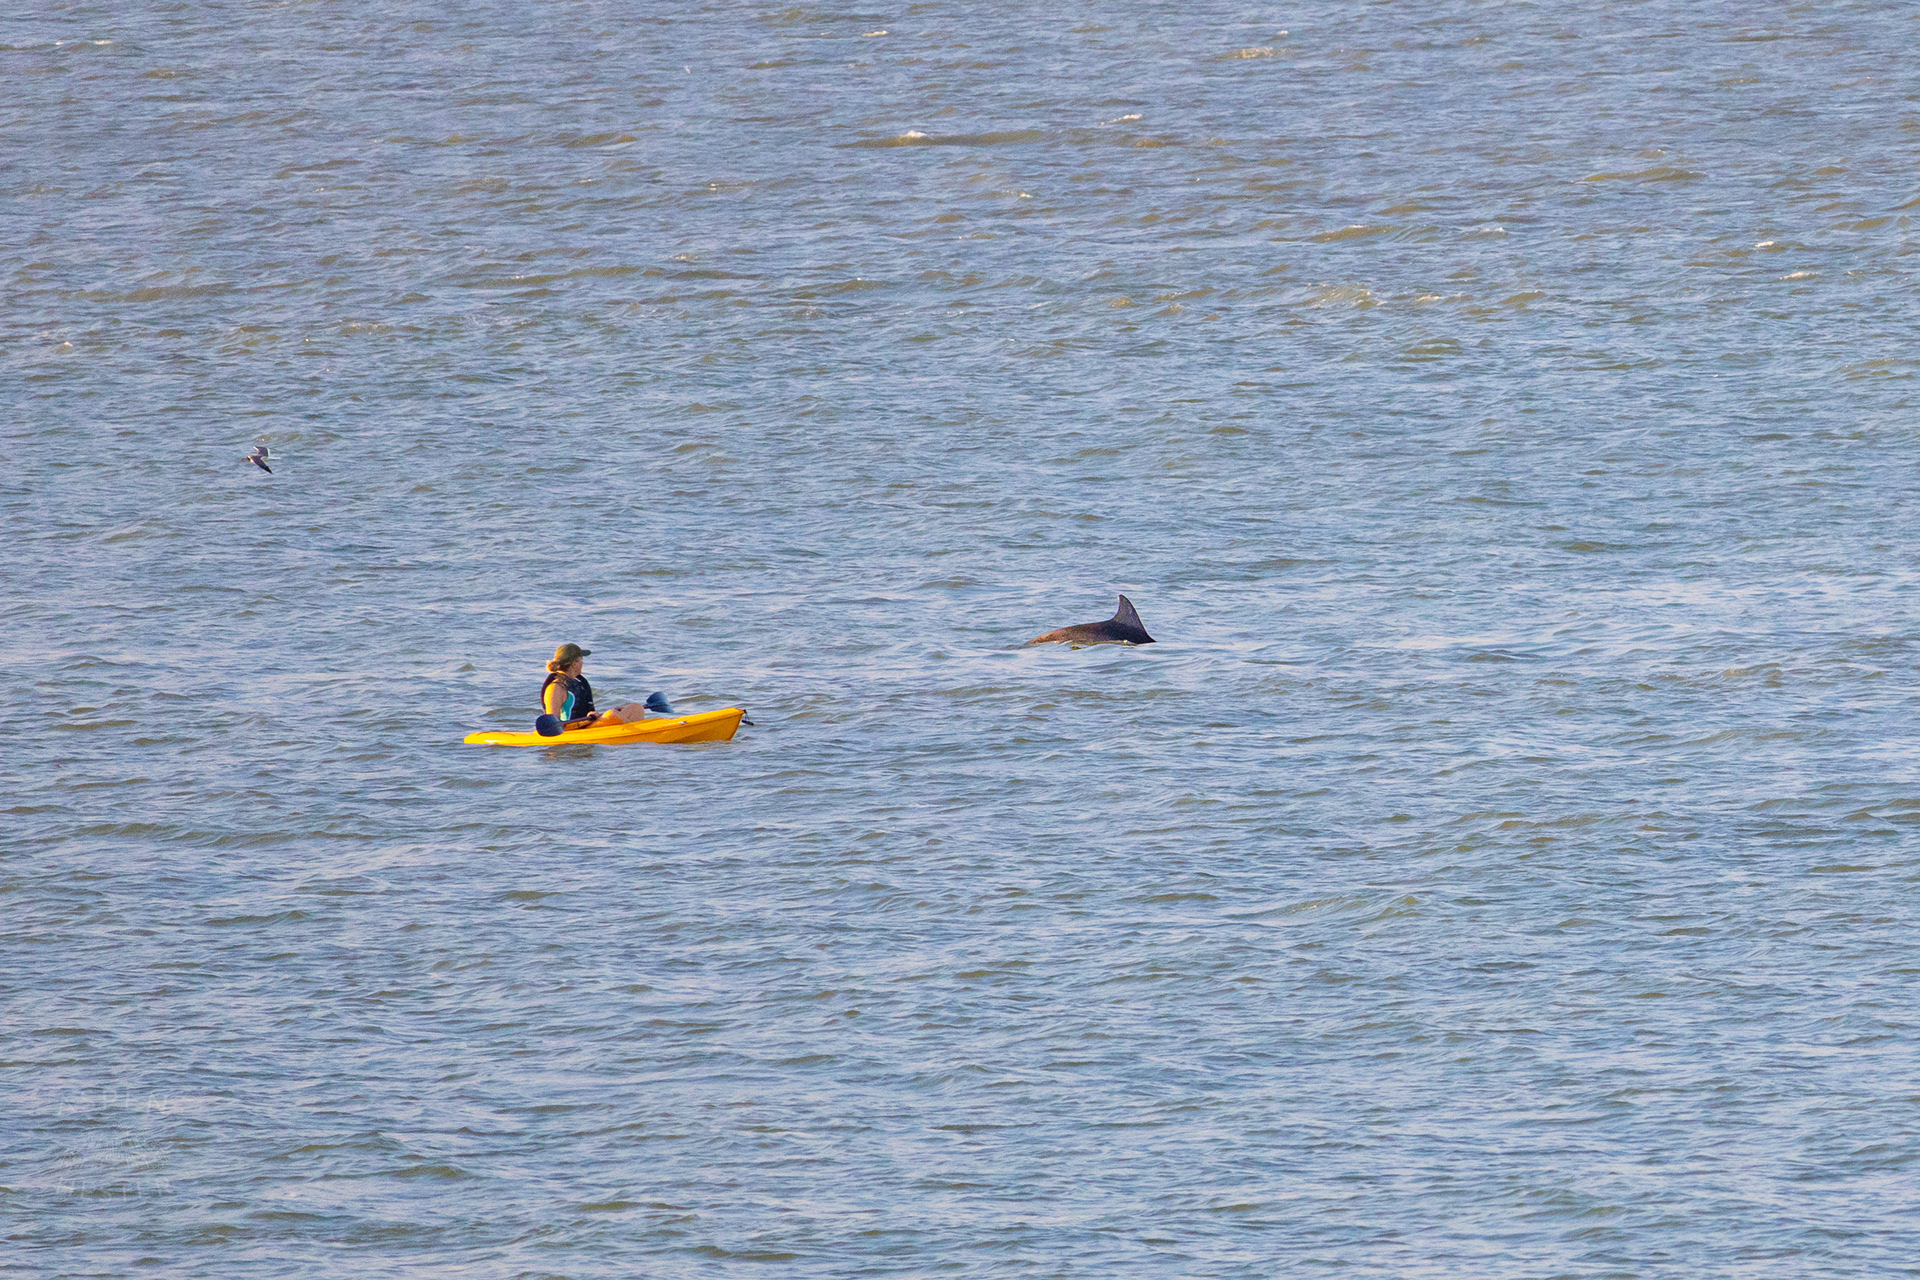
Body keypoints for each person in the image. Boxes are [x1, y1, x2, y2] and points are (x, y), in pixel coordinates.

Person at [542, 644, 646, 730]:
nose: (583, 662)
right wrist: (583, 722)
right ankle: (637, 733)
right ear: (574, 663)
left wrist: (598, 716)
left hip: (587, 725)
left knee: (636, 708)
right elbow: (553, 726)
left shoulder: (577, 683)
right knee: (612, 714)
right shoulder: (556, 688)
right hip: (574, 731)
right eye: (581, 659)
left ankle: (634, 735)